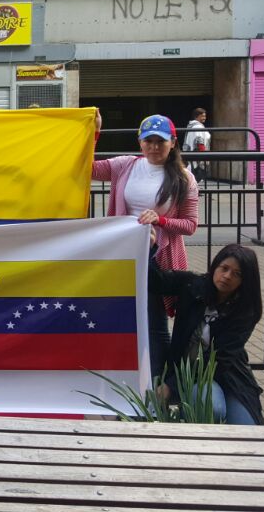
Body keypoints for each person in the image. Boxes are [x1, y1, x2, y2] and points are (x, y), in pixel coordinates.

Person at [92, 113, 199, 380]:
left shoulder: (185, 179)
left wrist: (160, 220)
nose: (153, 147)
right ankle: (124, 379)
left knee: (155, 325)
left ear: (173, 143)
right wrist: (93, 134)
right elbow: (88, 169)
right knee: (121, 318)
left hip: (156, 258)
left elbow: (189, 225)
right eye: (148, 140)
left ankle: (155, 386)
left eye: (160, 141)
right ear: (139, 142)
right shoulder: (124, 166)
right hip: (123, 253)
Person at [153, 243, 264, 425]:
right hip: (192, 377)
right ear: (215, 266)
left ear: (245, 281)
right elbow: (155, 280)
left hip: (228, 377)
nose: (227, 276)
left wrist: (170, 386)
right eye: (224, 268)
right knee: (212, 408)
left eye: (237, 274)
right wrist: (149, 246)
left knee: (248, 431)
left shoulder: (245, 311)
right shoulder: (192, 286)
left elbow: (219, 359)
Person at [183, 108, 211, 183]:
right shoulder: (197, 127)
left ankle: (194, 190)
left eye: (205, 116)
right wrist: (203, 155)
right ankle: (194, 191)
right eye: (202, 116)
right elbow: (199, 140)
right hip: (198, 156)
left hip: (194, 155)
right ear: (196, 116)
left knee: (194, 174)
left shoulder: (193, 126)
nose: (204, 118)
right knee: (198, 174)